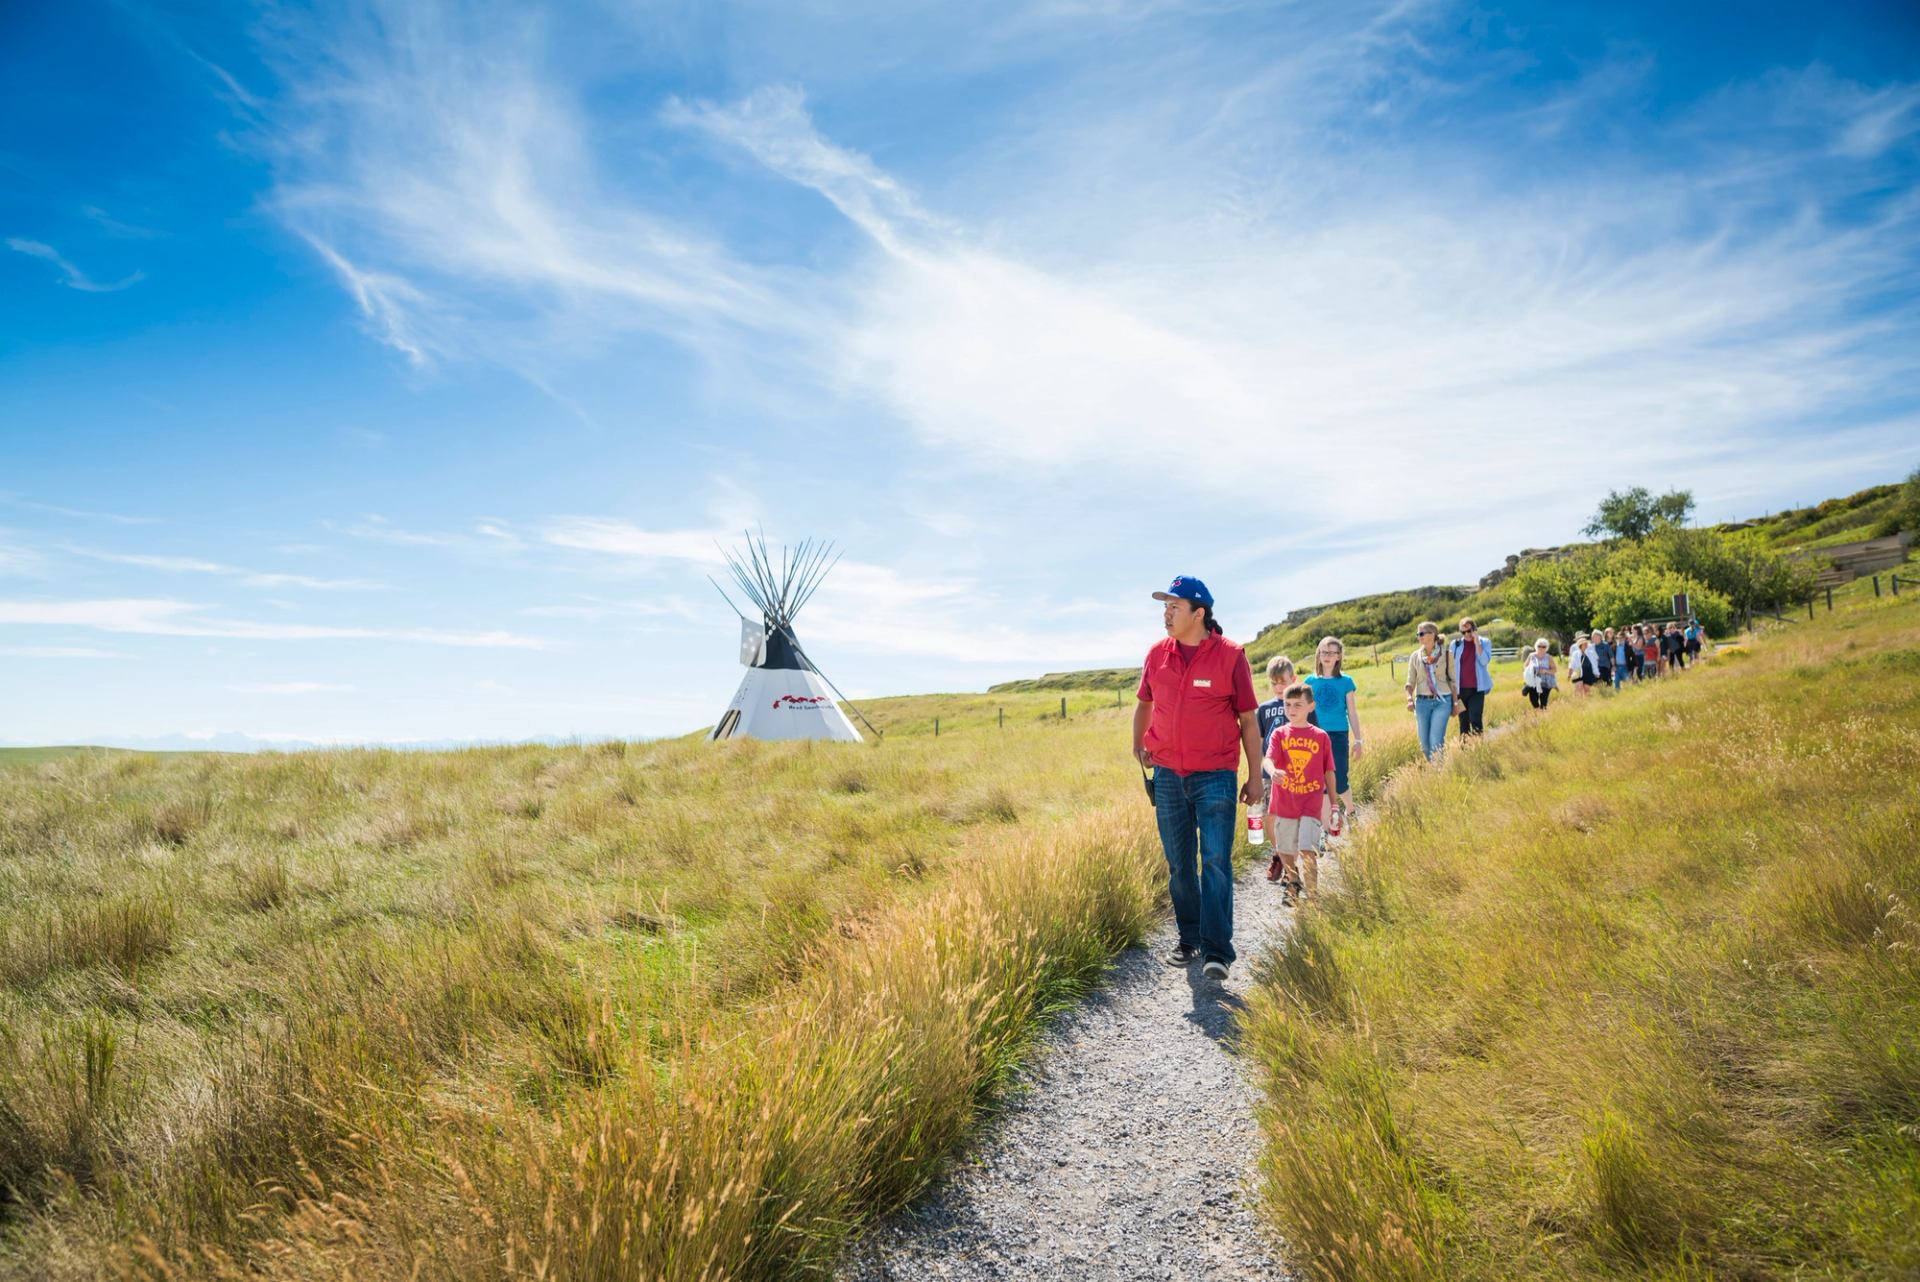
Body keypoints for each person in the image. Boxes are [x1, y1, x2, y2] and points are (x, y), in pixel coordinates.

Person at [1133, 576, 1263, 983]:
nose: (1166, 614)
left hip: (1217, 776)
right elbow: (1144, 703)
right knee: (1179, 865)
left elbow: (1247, 720)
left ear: (1199, 613)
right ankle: (1188, 938)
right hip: (1168, 775)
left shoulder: (1231, 656)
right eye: (1164, 607)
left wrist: (1255, 776)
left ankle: (1217, 950)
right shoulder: (1157, 654)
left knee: (1216, 861)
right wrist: (1138, 744)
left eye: (1174, 607)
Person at [1264, 682, 1333, 907]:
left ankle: (1313, 897)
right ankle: (1293, 881)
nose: (1292, 709)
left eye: (1298, 705)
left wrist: (1333, 805)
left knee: (1307, 850)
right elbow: (1268, 759)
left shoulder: (1321, 737)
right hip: (1285, 803)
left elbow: (1329, 771)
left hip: (1310, 804)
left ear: (1311, 706)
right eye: (1288, 704)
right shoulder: (1279, 734)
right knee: (1285, 849)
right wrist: (1273, 771)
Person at [1304, 637, 1362, 835]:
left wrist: (1358, 740)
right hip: (1314, 736)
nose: (1327, 656)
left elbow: (1352, 713)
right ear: (1318, 655)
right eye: (1324, 652)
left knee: (1339, 779)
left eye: (1332, 653)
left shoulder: (1346, 682)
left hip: (1338, 735)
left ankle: (1351, 811)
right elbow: (1303, 711)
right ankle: (1327, 828)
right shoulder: (1309, 682)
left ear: (1338, 657)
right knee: (1320, 783)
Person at [1402, 621, 1461, 759]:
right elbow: (1410, 682)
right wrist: (1409, 698)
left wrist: (1456, 703)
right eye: (1418, 634)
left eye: (1422, 633)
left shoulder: (1447, 654)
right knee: (1425, 744)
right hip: (1422, 703)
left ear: (1432, 635)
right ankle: (1433, 772)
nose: (1419, 636)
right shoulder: (1415, 656)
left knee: (1435, 740)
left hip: (1443, 702)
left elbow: (1453, 681)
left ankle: (1438, 774)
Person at [1452, 617, 1493, 736]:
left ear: (1474, 629)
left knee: (1475, 719)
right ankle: (1464, 750)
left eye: (1469, 631)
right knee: (1463, 723)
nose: (1466, 634)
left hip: (1477, 690)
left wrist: (1477, 642)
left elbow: (1484, 661)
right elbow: (1450, 666)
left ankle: (1478, 748)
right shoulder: (1455, 645)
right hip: (1460, 691)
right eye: (1463, 632)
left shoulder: (1485, 642)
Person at [1522, 638, 1556, 709]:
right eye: (1539, 646)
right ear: (1536, 646)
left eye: (1543, 647)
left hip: (1546, 682)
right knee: (1533, 700)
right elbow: (1525, 666)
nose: (1541, 648)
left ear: (1546, 648)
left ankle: (1543, 715)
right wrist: (1532, 669)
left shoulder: (1549, 657)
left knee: (1543, 701)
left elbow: (1554, 670)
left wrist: (1545, 671)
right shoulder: (1531, 656)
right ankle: (1537, 711)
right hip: (1533, 681)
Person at [1593, 626, 1614, 691]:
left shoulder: (1606, 645)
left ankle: (1610, 693)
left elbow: (1611, 657)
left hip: (1605, 667)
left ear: (1600, 637)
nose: (1594, 638)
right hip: (1596, 668)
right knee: (1597, 683)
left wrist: (1613, 666)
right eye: (1593, 637)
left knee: (1608, 683)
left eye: (1595, 637)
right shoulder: (1591, 646)